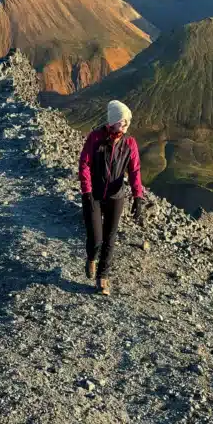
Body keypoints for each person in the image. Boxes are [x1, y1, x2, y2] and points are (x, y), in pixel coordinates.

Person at [78, 99, 144, 296]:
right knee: (96, 238)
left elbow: (135, 171)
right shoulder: (95, 138)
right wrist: (87, 191)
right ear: (113, 120)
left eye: (127, 122)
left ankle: (102, 278)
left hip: (116, 196)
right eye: (122, 121)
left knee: (110, 238)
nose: (126, 125)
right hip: (94, 196)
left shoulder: (129, 144)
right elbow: (84, 164)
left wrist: (137, 196)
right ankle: (91, 257)